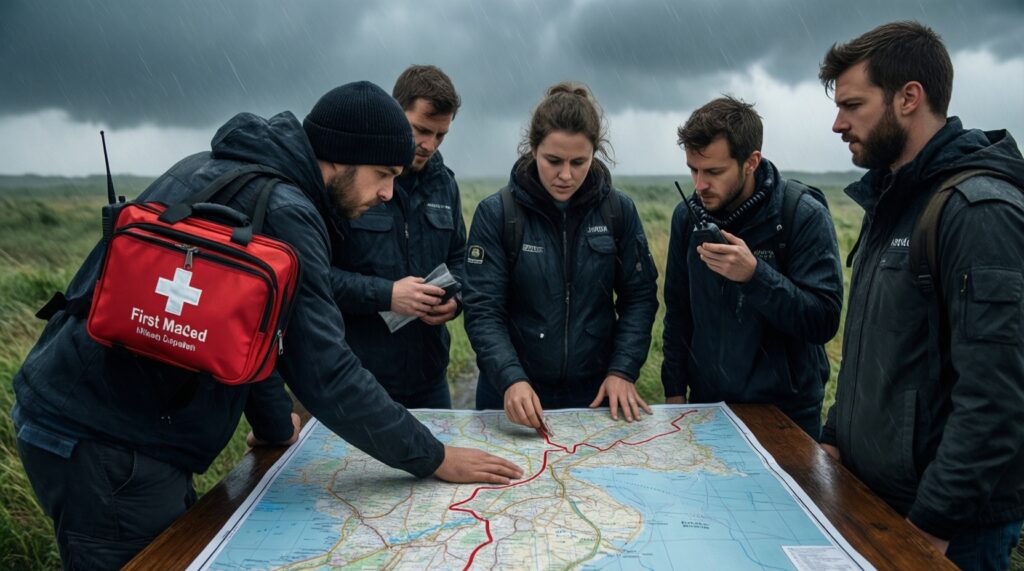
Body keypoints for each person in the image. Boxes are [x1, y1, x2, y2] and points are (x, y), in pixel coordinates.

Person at [10, 80, 522, 570]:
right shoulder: (286, 210)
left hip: (77, 411)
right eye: (383, 173)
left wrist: (275, 426)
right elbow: (323, 368)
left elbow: (244, 328)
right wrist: (434, 458)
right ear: (341, 155)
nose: (389, 192)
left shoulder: (219, 169)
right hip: (109, 444)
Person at [818, 21, 1024, 570]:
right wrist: (835, 438)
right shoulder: (892, 201)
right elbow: (872, 349)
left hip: (949, 529)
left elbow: (997, 397)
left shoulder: (976, 213)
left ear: (910, 97)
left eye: (853, 105)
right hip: (877, 502)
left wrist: (931, 526)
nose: (838, 123)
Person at [463, 82, 659, 430]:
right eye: (553, 161)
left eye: (578, 162)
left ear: (595, 154)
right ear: (532, 149)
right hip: (510, 394)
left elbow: (640, 297)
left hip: (595, 394)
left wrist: (623, 370)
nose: (566, 175)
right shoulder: (497, 213)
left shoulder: (619, 211)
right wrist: (510, 378)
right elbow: (483, 310)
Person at [661, 96, 843, 440]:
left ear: (751, 162)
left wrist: (755, 275)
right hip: (706, 408)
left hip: (786, 415)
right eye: (693, 170)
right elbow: (678, 312)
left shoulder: (801, 214)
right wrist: (675, 396)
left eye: (713, 172)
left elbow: (823, 320)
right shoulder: (686, 217)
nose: (699, 185)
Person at [330, 65, 465, 409]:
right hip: (359, 378)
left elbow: (460, 259)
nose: (429, 145)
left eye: (440, 135)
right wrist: (387, 295)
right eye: (420, 130)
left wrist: (455, 301)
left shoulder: (445, 184)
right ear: (394, 112)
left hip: (429, 378)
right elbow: (319, 277)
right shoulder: (351, 180)